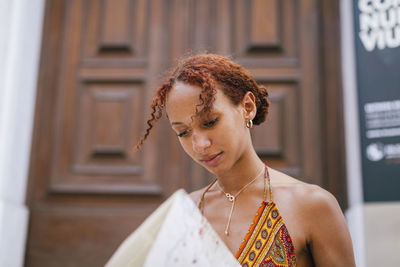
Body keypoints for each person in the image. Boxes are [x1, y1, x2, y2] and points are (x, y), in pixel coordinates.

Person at [136, 54, 356, 267]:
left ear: (247, 108)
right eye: (183, 132)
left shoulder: (312, 205)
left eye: (210, 121)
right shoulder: (187, 214)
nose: (199, 144)